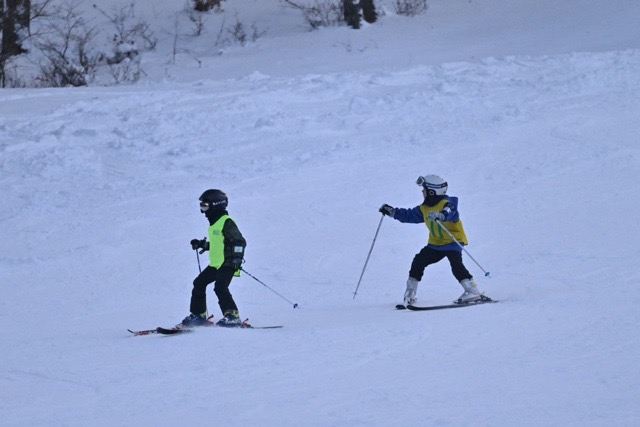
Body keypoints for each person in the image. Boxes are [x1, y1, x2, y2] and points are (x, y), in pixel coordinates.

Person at [379, 175, 486, 305]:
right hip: (435, 244)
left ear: (431, 192)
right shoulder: (424, 208)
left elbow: (452, 211)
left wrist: (442, 215)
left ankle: (473, 291)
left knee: (456, 265)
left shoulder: (447, 203)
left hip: (453, 241)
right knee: (418, 261)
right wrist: (393, 212)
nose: (422, 192)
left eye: (424, 190)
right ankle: (410, 293)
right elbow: (410, 216)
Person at [182, 189, 247, 327]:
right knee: (198, 283)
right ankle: (198, 315)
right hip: (216, 264)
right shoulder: (215, 224)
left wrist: (236, 259)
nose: (203, 210)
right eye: (202, 206)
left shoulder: (227, 222)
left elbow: (239, 241)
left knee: (220, 287)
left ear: (215, 205)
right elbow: (220, 243)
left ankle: (232, 316)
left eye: (205, 206)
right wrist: (203, 244)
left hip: (228, 263)